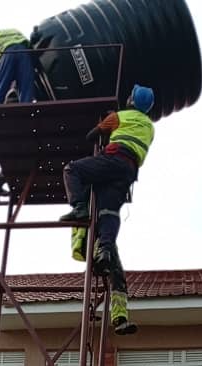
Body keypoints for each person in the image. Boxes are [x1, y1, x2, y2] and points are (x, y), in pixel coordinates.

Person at [60, 84, 155, 276]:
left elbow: (92, 135)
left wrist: (107, 120)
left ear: (131, 100)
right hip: (129, 171)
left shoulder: (120, 116)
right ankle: (105, 249)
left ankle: (79, 208)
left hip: (113, 159)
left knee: (72, 170)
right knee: (108, 210)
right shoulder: (150, 127)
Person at [71, 228, 136, 335]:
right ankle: (101, 258)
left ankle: (120, 319)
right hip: (93, 242)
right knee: (116, 274)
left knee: (118, 279)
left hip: (102, 245)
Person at [0, 28, 35, 105]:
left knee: (1, 86)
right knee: (26, 85)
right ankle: (26, 105)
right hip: (24, 51)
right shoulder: (13, 30)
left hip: (6, 54)